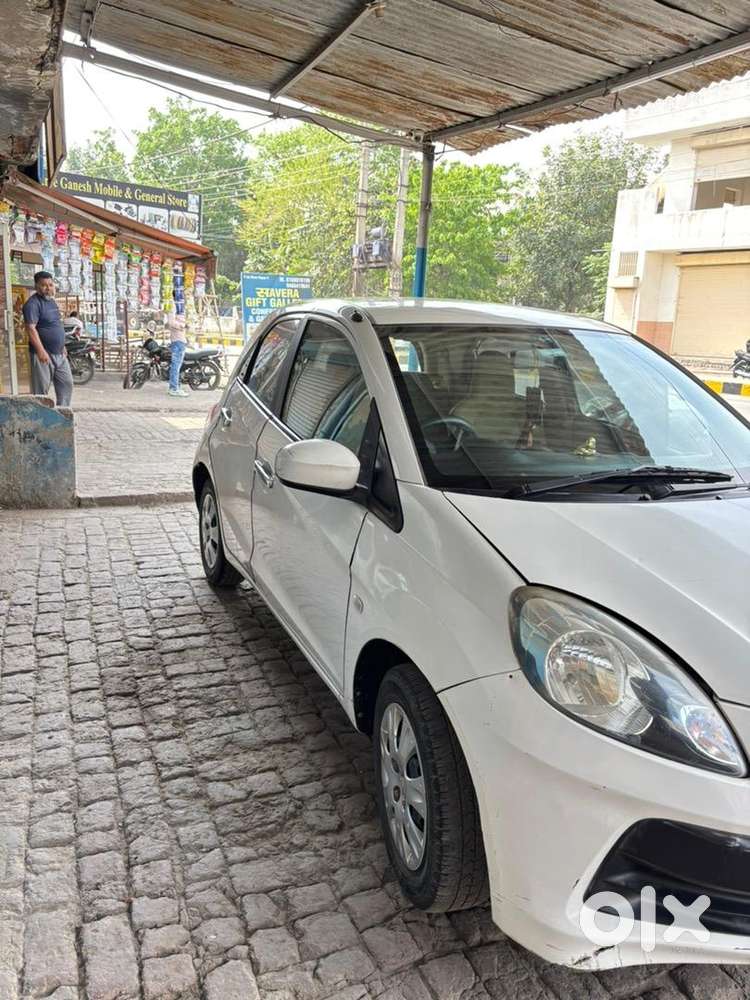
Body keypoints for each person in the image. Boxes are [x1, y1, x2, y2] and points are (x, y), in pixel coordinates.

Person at [23, 271, 73, 407]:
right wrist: (40, 351)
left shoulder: (52, 302)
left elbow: (56, 324)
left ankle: (63, 415)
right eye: (44, 285)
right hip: (43, 355)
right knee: (41, 392)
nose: (48, 288)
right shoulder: (32, 304)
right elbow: (30, 329)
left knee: (66, 384)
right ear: (36, 286)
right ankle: (40, 422)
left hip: (60, 354)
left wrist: (62, 346)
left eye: (50, 285)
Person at [167, 312, 189, 397]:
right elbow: (171, 322)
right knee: (176, 366)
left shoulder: (178, 306)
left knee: (177, 366)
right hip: (177, 341)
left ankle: (176, 386)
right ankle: (174, 388)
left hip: (180, 340)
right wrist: (183, 326)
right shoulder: (173, 305)